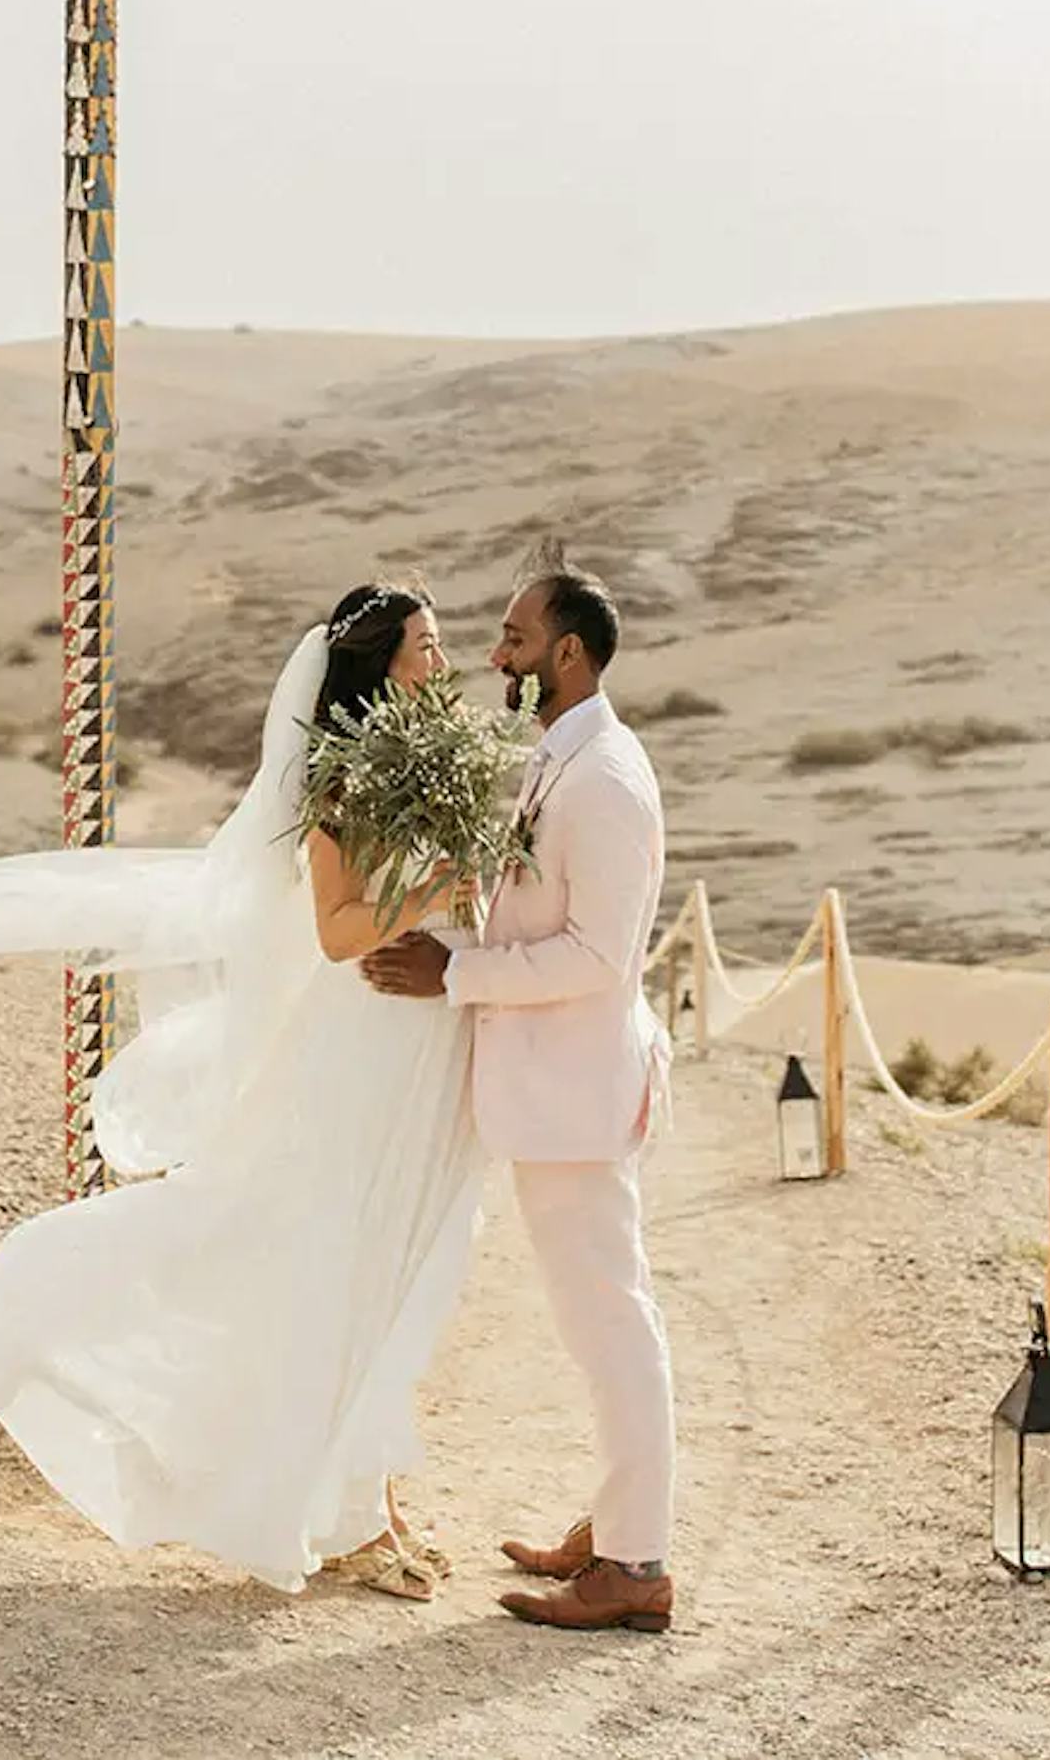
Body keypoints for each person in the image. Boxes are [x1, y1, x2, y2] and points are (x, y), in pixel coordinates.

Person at [0, 587, 481, 1597]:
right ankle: (342, 1515)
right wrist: (440, 885)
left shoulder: (422, 772)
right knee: (329, 1266)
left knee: (391, 1270)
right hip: (358, 1046)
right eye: (428, 646)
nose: (445, 664)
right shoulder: (339, 787)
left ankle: (373, 1501)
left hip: (420, 1053)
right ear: (376, 667)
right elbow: (338, 930)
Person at [361, 568, 678, 1633]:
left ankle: (635, 1563)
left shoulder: (606, 783)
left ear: (570, 652)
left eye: (514, 636)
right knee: (601, 1318)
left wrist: (454, 976)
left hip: (578, 1094)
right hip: (559, 1089)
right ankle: (617, 1518)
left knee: (613, 1324)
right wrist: (449, 943)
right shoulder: (565, 759)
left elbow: (596, 954)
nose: (496, 655)